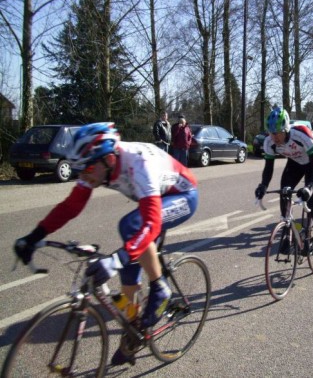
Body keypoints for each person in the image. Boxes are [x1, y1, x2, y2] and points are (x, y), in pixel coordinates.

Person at [13, 122, 199, 366]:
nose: (84, 176)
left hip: (182, 196)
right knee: (130, 256)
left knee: (131, 227)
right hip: (154, 197)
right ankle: (134, 328)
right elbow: (71, 206)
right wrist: (34, 236)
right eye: (80, 170)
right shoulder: (95, 165)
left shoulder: (138, 164)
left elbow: (151, 224)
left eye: (88, 169)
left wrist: (116, 260)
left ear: (109, 159)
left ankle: (160, 288)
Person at [254, 107, 313, 259]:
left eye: (277, 133)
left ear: (286, 129)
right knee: (284, 193)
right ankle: (287, 234)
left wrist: (309, 187)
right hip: (295, 163)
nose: (273, 137)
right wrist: (263, 185)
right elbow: (268, 168)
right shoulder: (269, 142)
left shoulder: (301, 136)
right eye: (270, 132)